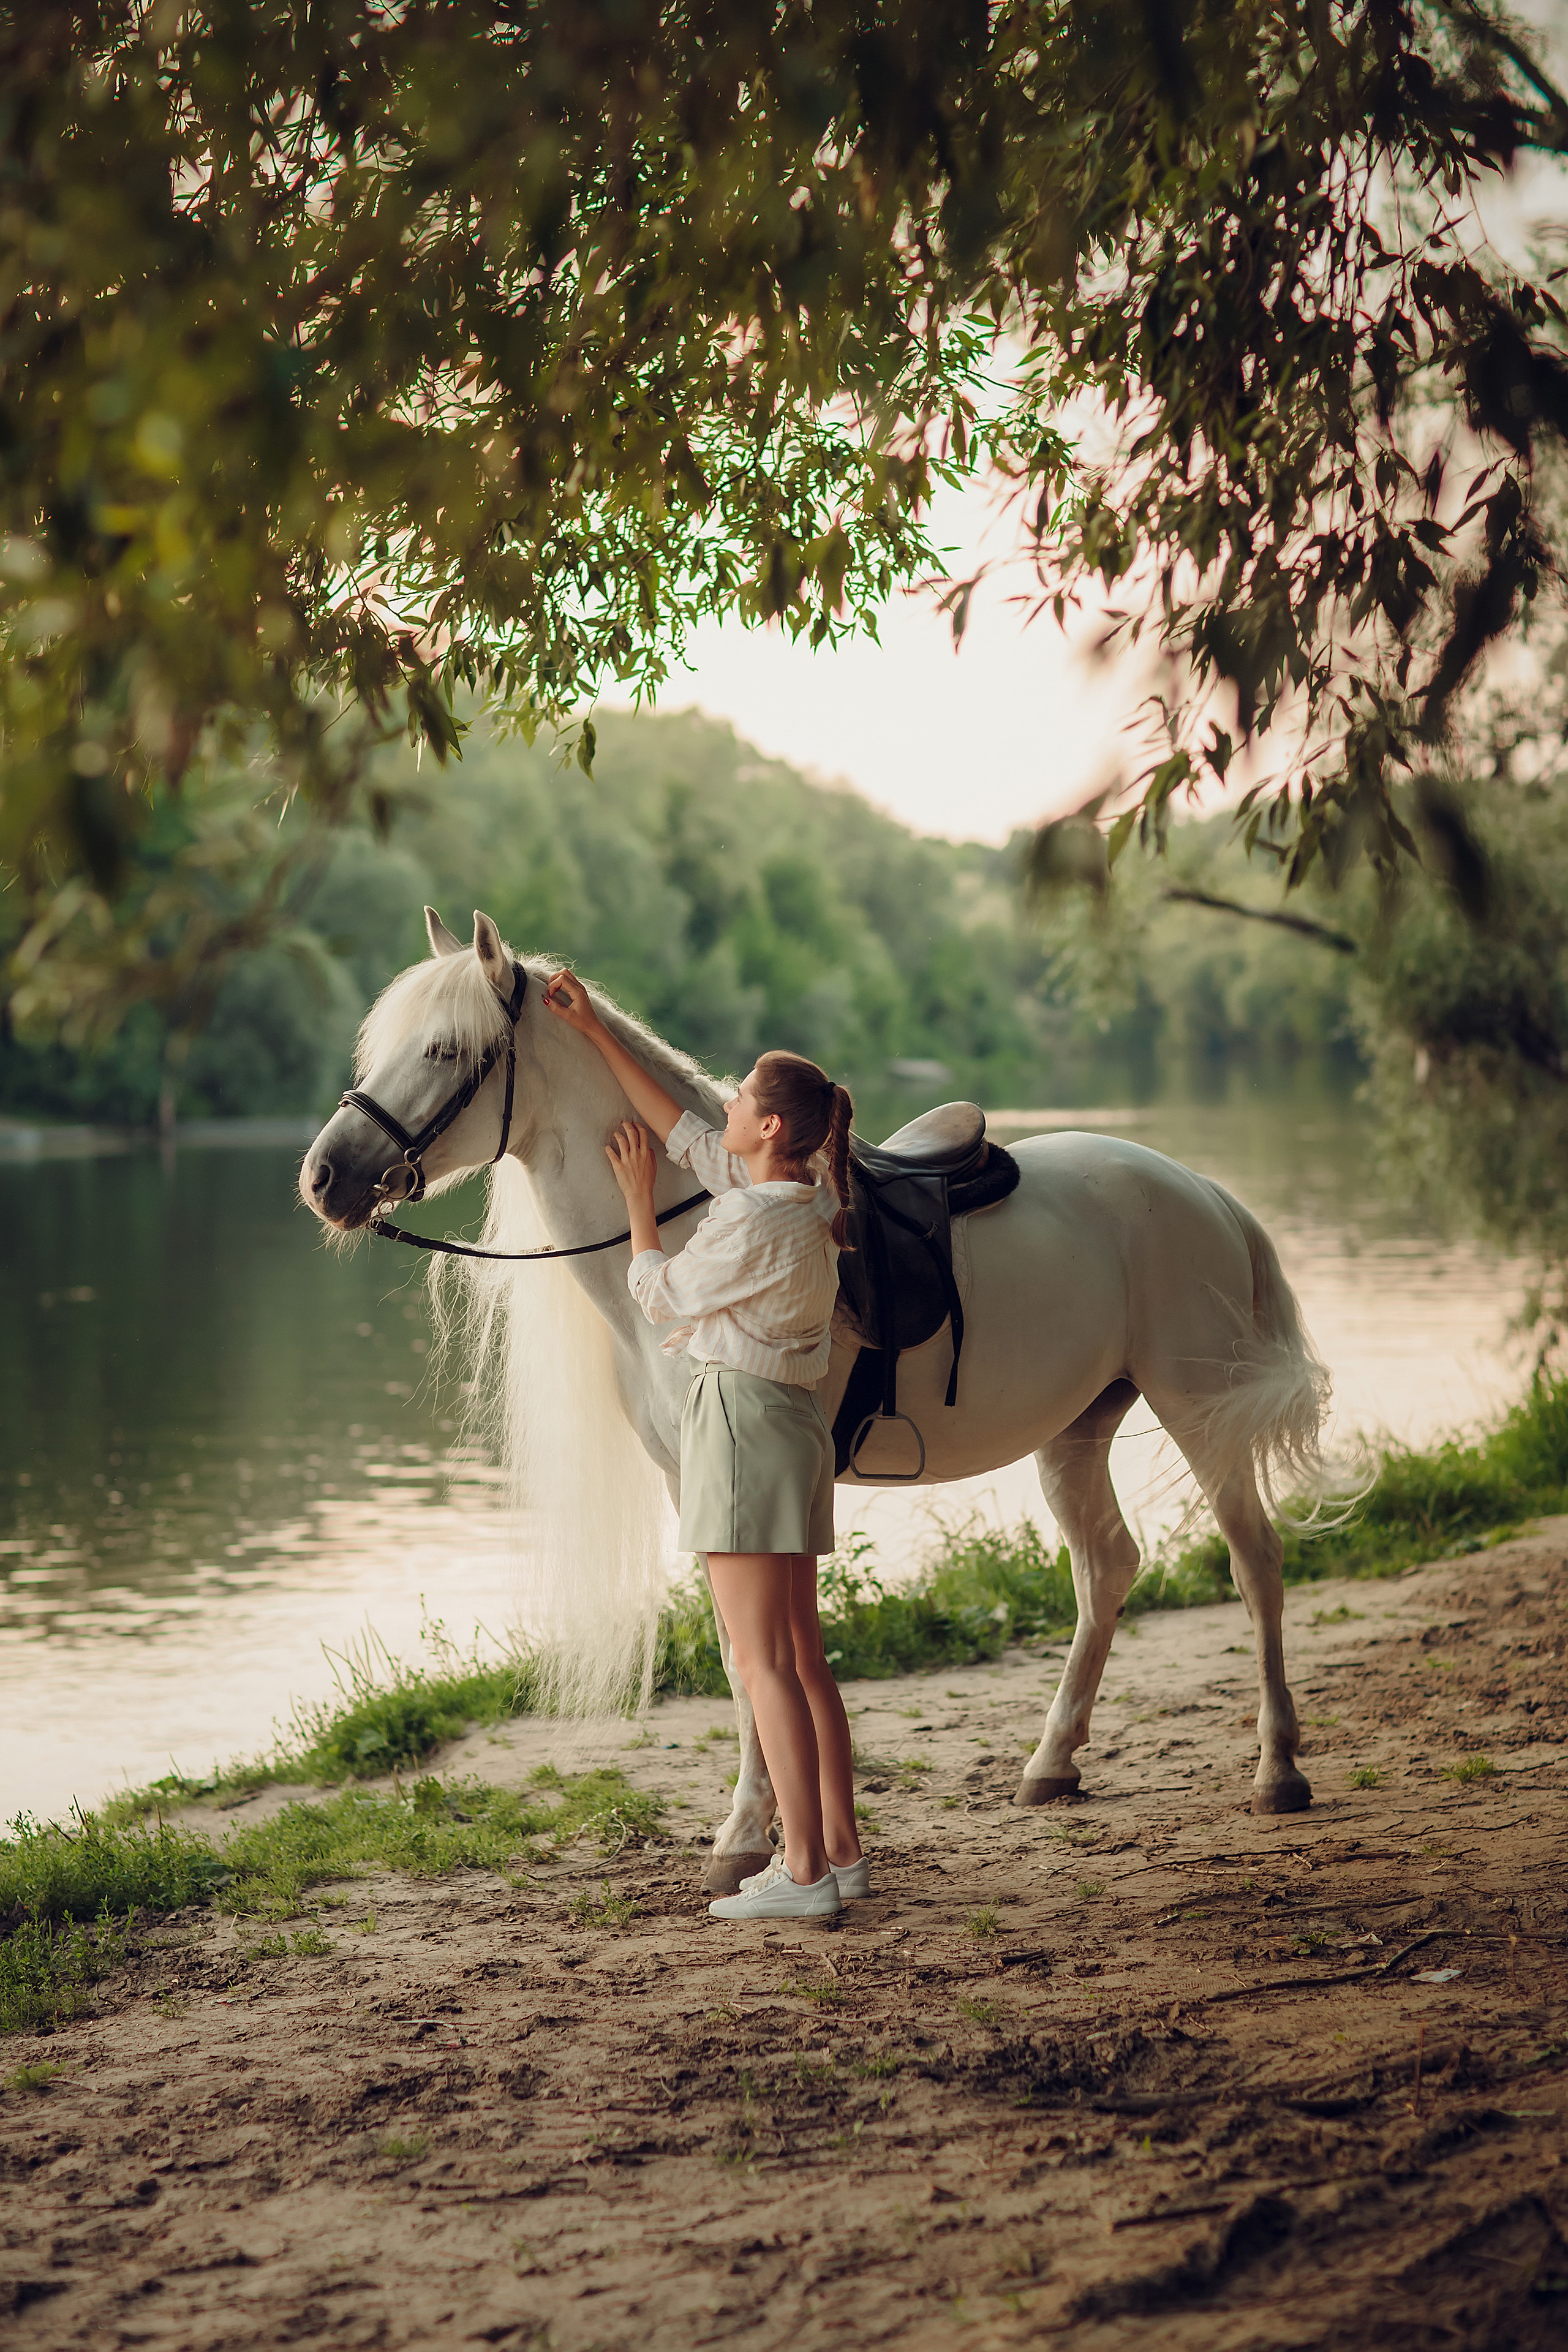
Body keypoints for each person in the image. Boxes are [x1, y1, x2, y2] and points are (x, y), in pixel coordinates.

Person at [543, 968, 865, 1921]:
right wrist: (597, 1030)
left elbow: (661, 1298)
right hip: (795, 1428)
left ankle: (802, 1873)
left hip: (739, 1425)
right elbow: (690, 1134)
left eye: (742, 1096)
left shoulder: (744, 1220)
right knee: (803, 1658)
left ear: (769, 1128)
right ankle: (839, 1853)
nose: (723, 1102)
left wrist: (638, 1200)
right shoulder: (803, 1200)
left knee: (758, 1660)